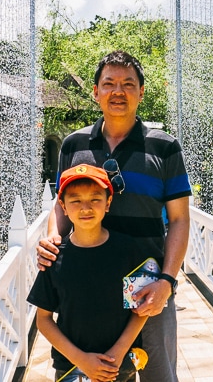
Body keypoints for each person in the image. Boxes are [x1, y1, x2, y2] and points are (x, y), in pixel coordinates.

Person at [38, 50, 192, 382]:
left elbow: (180, 219)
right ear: (95, 92)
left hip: (146, 284)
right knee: (94, 373)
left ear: (142, 91)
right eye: (108, 84)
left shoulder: (164, 147)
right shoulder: (73, 144)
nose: (117, 92)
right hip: (88, 285)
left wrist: (167, 281)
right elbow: (60, 204)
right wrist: (52, 236)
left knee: (158, 376)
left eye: (127, 84)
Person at [28, 164, 148, 382]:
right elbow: (43, 320)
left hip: (119, 363)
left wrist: (118, 353)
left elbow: (140, 310)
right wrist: (81, 359)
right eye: (75, 201)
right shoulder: (54, 257)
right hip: (70, 366)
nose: (86, 207)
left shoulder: (129, 250)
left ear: (108, 203)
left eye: (95, 199)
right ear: (63, 206)